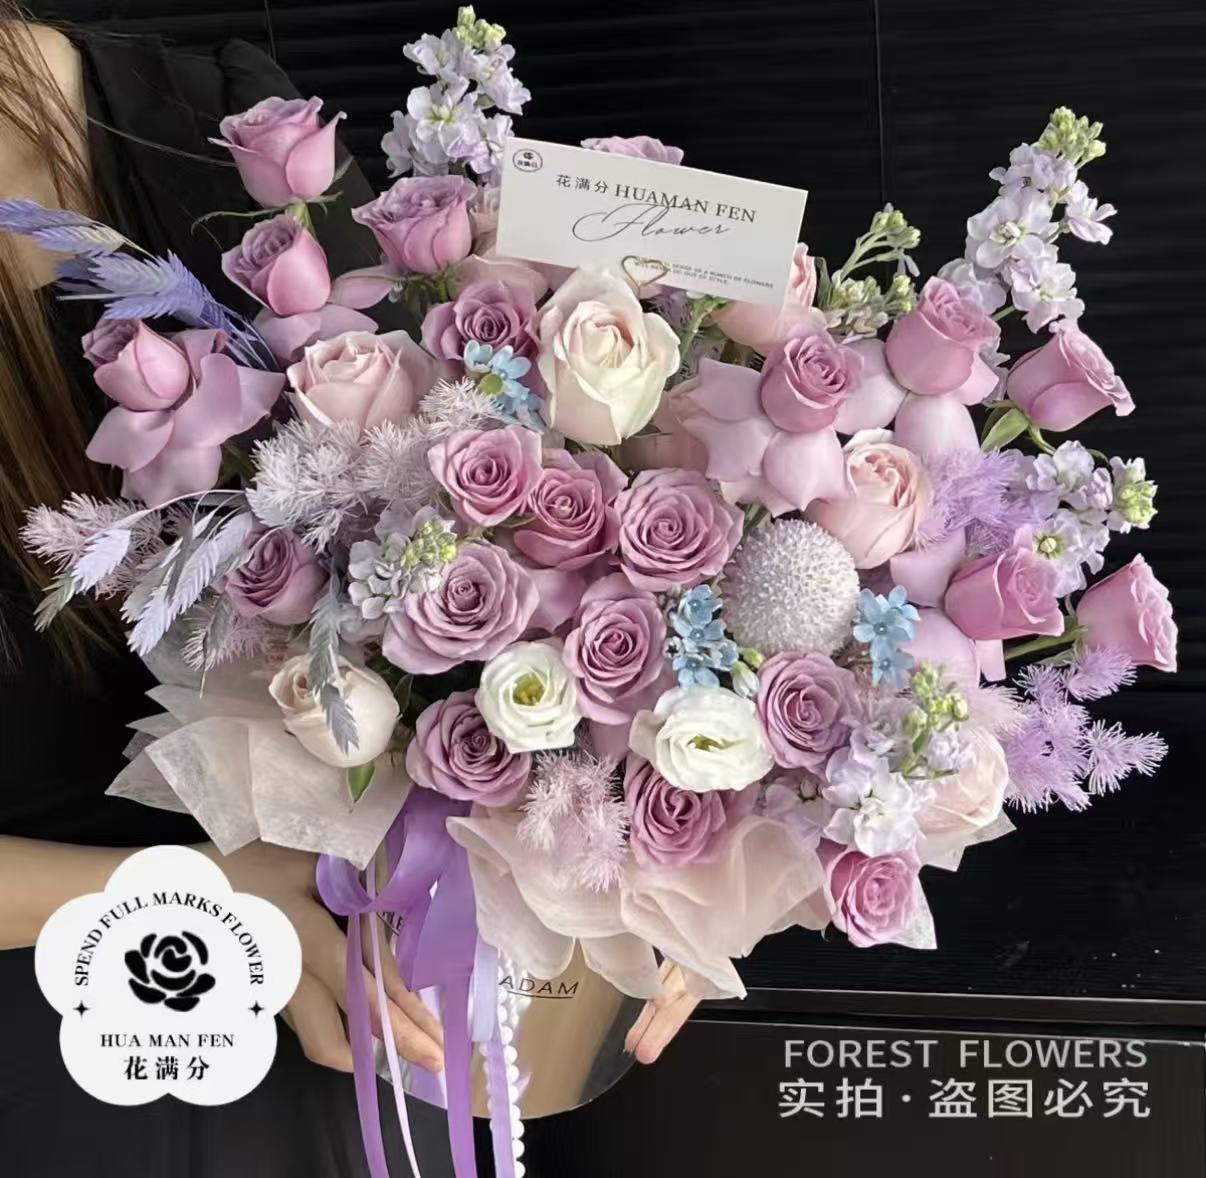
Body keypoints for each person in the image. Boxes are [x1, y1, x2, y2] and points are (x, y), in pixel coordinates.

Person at [0, 12, 696, 1177]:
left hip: (366, 968)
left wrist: (681, 822)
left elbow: (474, 485)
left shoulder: (214, 120)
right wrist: (202, 895)